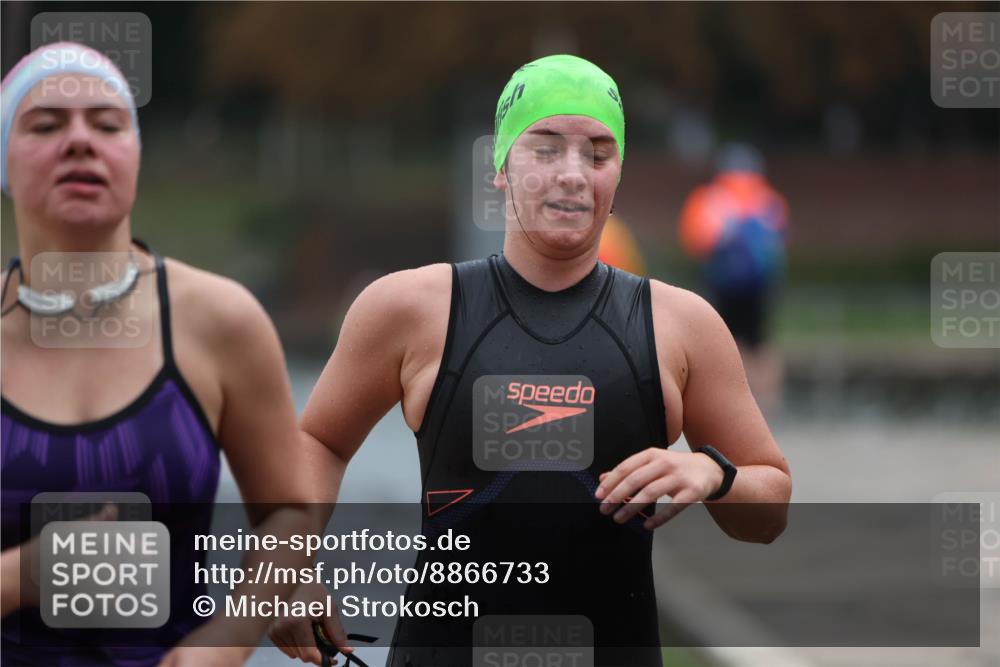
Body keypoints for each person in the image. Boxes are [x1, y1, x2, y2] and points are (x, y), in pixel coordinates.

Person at [272, 54, 791, 666]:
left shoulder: (681, 325)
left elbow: (770, 505)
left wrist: (713, 474)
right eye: (545, 148)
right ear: (500, 165)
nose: (574, 173)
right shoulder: (409, 309)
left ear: (617, 175)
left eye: (598, 153)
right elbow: (319, 441)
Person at [1, 42, 316, 666]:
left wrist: (225, 641)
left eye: (107, 123)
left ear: (136, 155)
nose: (80, 141)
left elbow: (290, 512)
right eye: (46, 124)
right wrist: (23, 575)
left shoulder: (221, 321)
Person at [678, 143, 789, 413]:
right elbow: (780, 243)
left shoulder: (710, 199)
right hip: (760, 287)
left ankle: (735, 407)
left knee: (725, 342)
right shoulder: (768, 199)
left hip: (722, 285)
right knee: (761, 343)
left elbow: (696, 242)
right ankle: (771, 403)